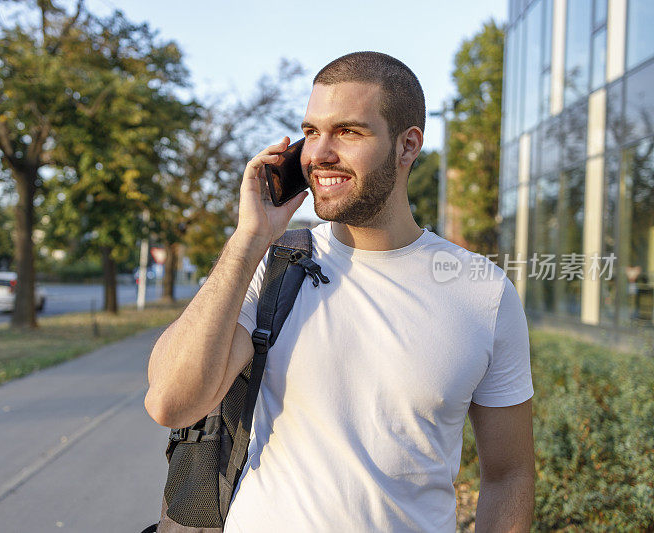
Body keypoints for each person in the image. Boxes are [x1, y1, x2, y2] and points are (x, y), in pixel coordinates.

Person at [145, 52, 535, 532]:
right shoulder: (270, 263)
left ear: (407, 145)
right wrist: (248, 240)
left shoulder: (483, 291)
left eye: (349, 132)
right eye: (311, 132)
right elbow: (170, 402)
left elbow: (509, 473)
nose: (318, 154)